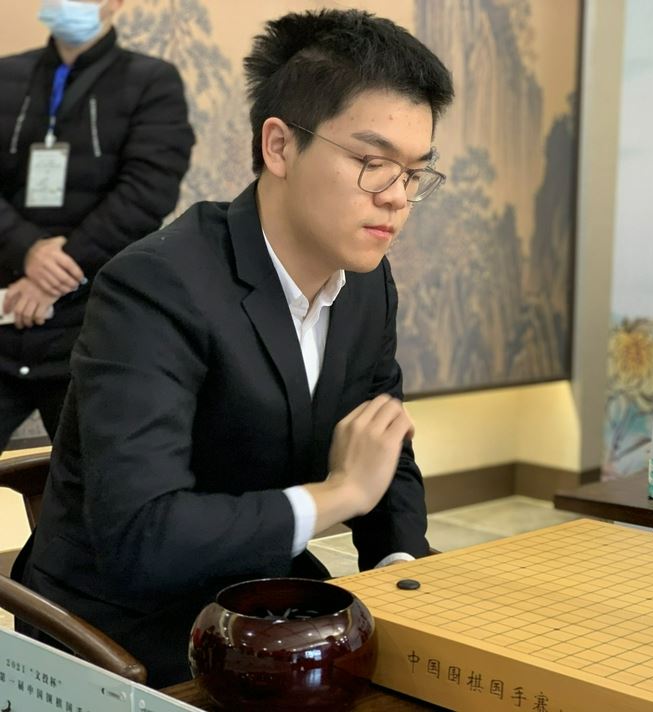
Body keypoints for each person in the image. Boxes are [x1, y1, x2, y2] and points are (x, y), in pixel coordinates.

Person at [15, 7, 454, 687]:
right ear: (279, 146)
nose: (396, 198)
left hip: (267, 608)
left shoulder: (367, 282)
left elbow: (381, 445)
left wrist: (399, 570)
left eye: (414, 173)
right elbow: (143, 537)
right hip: (125, 634)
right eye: (373, 164)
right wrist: (337, 494)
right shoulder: (155, 285)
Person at [0, 0, 194, 449]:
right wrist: (29, 251)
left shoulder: (152, 82)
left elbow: (147, 193)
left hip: (91, 327)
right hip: (8, 310)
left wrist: (53, 275)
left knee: (91, 475)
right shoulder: (6, 76)